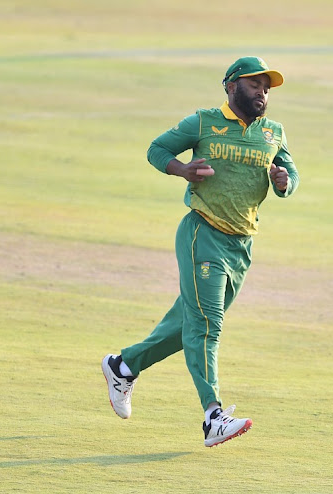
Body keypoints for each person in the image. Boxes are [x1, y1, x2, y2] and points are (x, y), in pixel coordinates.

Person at [101, 56, 299, 447]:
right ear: (231, 86)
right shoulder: (204, 123)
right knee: (208, 326)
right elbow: (157, 149)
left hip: (241, 244)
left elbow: (289, 173)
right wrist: (184, 170)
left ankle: (123, 366)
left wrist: (283, 181)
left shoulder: (273, 132)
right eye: (254, 83)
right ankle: (213, 415)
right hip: (202, 233)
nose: (262, 91)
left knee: (191, 323)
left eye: (266, 86)